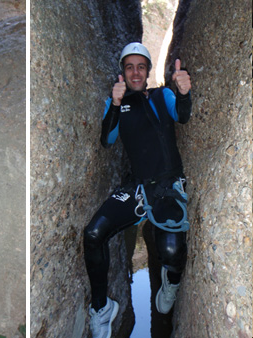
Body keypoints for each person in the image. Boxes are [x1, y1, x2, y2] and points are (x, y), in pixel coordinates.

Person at [83, 42, 192, 338]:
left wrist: (184, 92)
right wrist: (115, 105)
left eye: (140, 66)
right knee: (93, 234)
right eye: (129, 66)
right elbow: (107, 139)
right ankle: (102, 307)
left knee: (171, 250)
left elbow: (181, 114)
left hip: (168, 185)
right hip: (138, 187)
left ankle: (169, 284)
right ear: (123, 71)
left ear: (148, 70)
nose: (135, 72)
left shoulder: (162, 95)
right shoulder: (117, 103)